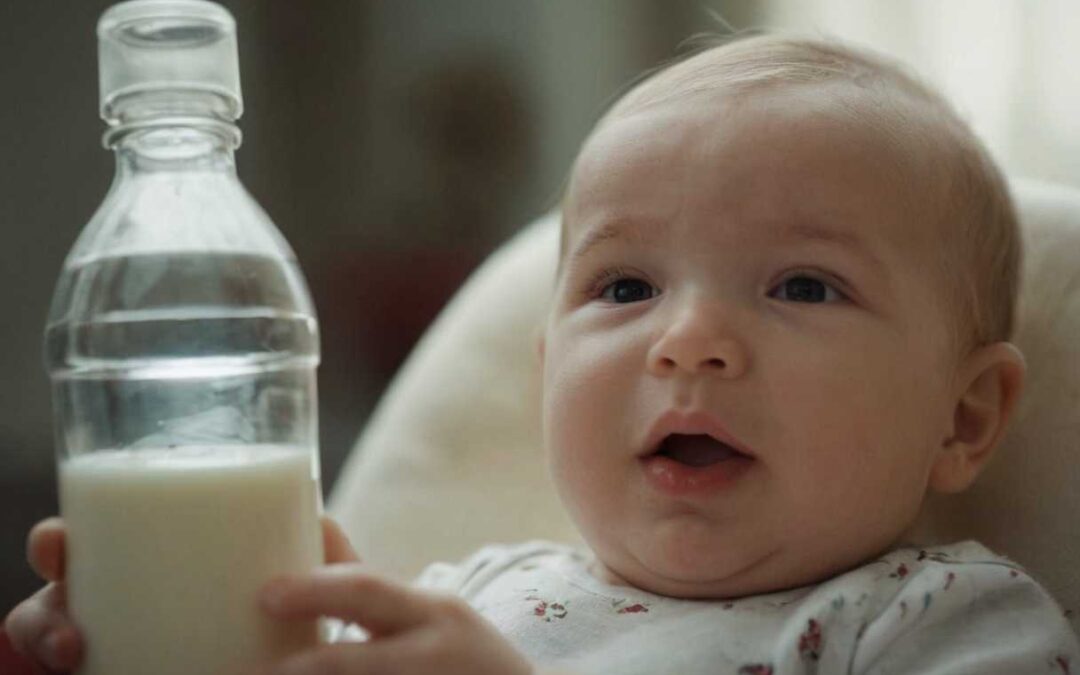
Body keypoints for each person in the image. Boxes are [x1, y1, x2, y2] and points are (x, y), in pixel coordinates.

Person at [6, 33, 1079, 675]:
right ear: (544, 374)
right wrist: (182, 632)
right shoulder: (475, 591)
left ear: (965, 416)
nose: (688, 342)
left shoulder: (937, 619)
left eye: (803, 286)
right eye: (626, 288)